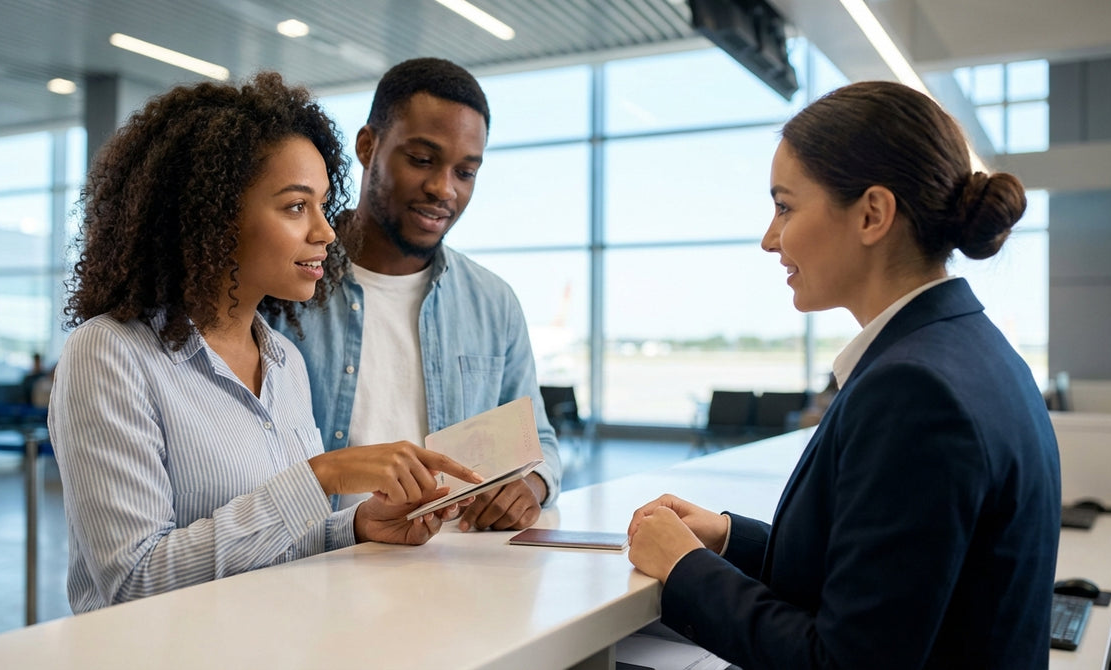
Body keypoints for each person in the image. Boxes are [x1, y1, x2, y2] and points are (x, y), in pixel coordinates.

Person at [626, 81, 1060, 668]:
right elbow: (885, 583)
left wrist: (684, 569)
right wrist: (730, 539)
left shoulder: (914, 390)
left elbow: (843, 661)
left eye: (785, 206)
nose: (769, 238)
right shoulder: (976, 349)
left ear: (873, 214)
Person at [49, 72, 482, 614]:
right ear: (212, 215)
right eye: (296, 207)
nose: (325, 232)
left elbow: (284, 543)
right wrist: (322, 475)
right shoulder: (110, 354)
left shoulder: (284, 361)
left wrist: (357, 525)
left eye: (324, 205)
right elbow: (133, 581)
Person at [277, 58, 562, 532]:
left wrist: (530, 485)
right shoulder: (286, 287)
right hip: (314, 567)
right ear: (368, 146)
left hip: (444, 572)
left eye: (466, 172)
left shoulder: (493, 303)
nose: (442, 189)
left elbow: (542, 442)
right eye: (423, 160)